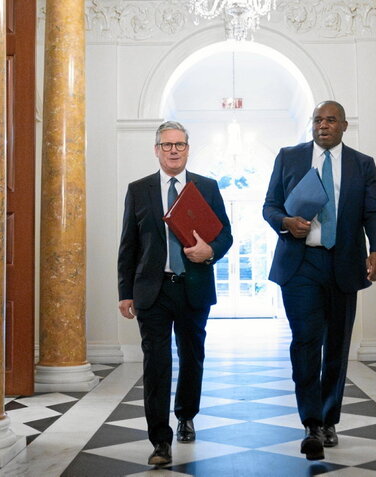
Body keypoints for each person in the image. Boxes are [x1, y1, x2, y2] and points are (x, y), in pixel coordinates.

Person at [262, 100, 376, 460]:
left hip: (344, 264)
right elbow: (269, 205)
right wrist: (286, 222)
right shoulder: (289, 157)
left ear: (344, 126)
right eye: (318, 119)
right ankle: (311, 423)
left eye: (331, 120)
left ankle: (330, 417)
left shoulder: (362, 165)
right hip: (300, 264)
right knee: (305, 342)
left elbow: (375, 211)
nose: (323, 125)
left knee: (336, 344)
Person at [118, 121, 233, 467]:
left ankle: (185, 415)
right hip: (152, 290)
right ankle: (160, 440)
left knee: (191, 355)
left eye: (179, 145)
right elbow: (129, 244)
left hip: (193, 286)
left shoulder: (207, 187)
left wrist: (209, 251)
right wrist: (125, 292)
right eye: (166, 144)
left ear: (187, 148)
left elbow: (225, 234)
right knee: (156, 363)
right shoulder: (139, 190)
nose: (173, 150)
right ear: (156, 149)